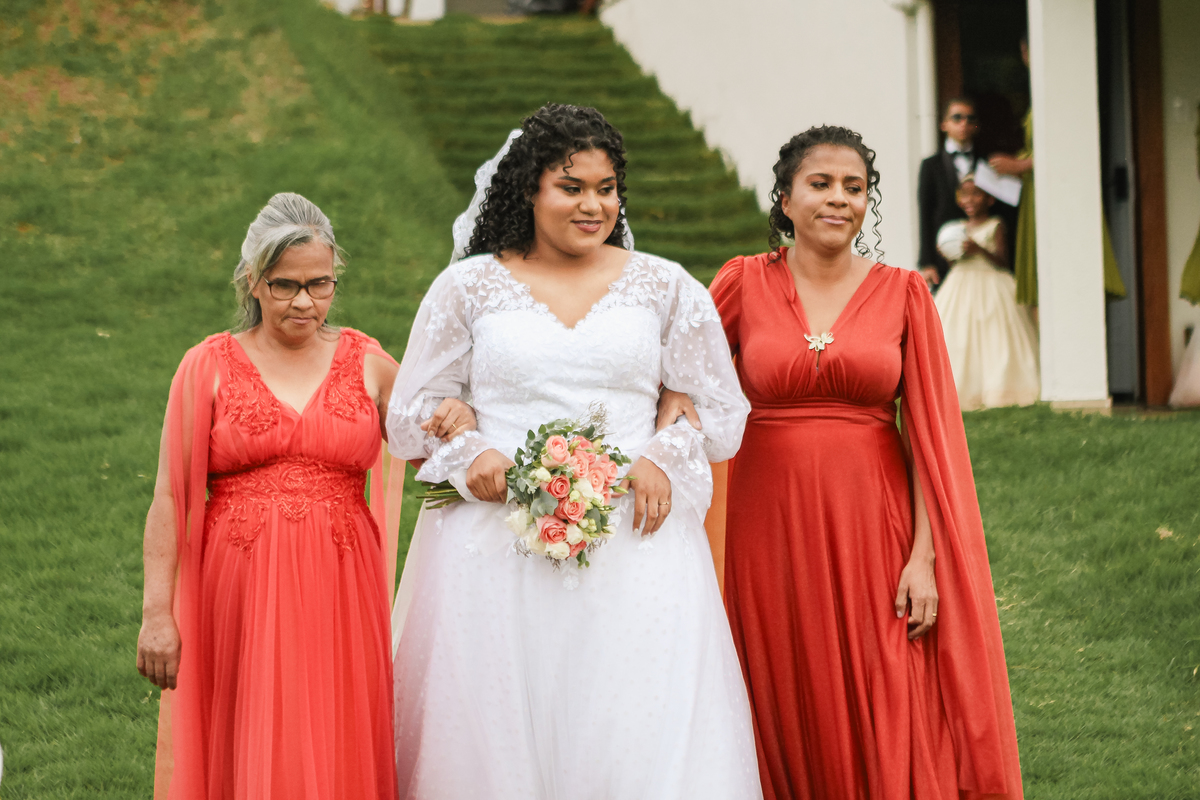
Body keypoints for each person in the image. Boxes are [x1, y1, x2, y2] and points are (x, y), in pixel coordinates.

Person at [386, 104, 761, 800]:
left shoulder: (666, 286)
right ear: (529, 188)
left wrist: (666, 448)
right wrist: (468, 447)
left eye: (607, 187)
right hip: (494, 543)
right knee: (496, 726)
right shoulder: (468, 288)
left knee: (631, 714)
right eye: (572, 187)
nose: (593, 205)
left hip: (634, 539)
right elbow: (407, 418)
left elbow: (723, 411)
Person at [660, 126, 1024, 799]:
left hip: (876, 530)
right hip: (765, 533)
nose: (839, 200)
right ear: (786, 199)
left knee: (886, 684)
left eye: (854, 188)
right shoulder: (742, 283)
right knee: (779, 685)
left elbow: (931, 438)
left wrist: (925, 556)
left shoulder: (906, 293)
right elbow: (672, 383)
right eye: (821, 184)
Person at [135, 193, 449, 800]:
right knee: (249, 726)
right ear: (253, 281)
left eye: (320, 284)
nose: (305, 301)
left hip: (340, 583)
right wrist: (156, 614)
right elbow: (170, 498)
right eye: (286, 286)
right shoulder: (207, 367)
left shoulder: (369, 361)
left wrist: (458, 413)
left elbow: (434, 443)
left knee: (335, 724)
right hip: (240, 585)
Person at [989, 36, 1125, 308]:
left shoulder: (1062, 88)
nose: (1027, 56)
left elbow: (1067, 146)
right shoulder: (1040, 90)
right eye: (1025, 50)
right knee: (1044, 281)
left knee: (1065, 266)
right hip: (1036, 189)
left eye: (1030, 49)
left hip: (1060, 190)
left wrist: (1019, 165)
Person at [934, 175, 1040, 409]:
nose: (969, 199)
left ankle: (1000, 391)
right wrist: (949, 254)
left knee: (994, 335)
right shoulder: (956, 228)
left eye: (976, 194)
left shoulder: (996, 225)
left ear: (990, 198)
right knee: (959, 334)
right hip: (961, 283)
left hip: (992, 283)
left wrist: (979, 249)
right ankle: (961, 391)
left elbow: (1002, 260)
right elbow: (958, 261)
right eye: (964, 194)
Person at [918, 98, 981, 289]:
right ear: (944, 124)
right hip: (943, 255)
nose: (964, 124)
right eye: (957, 118)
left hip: (980, 253)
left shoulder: (985, 162)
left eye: (970, 119)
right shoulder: (931, 165)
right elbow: (925, 213)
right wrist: (927, 262)